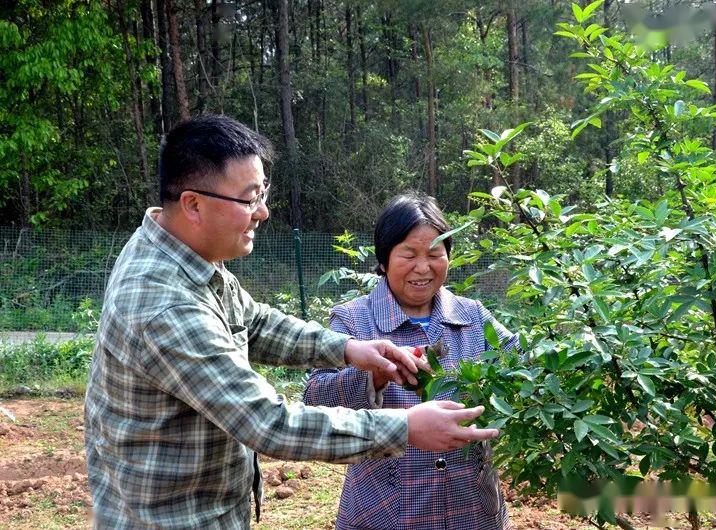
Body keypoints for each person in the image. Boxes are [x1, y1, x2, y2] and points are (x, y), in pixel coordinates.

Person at [84, 115, 498, 529]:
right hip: (171, 518)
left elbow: (257, 322)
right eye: (248, 200)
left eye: (263, 193)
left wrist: (350, 350)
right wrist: (405, 427)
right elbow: (269, 423)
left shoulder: (185, 257)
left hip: (201, 504)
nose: (262, 212)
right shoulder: (165, 305)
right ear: (193, 204)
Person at [304, 192, 517, 530]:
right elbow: (316, 399)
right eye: (409, 254)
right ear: (384, 259)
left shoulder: (474, 317)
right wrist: (374, 375)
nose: (423, 267)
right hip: (386, 513)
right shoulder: (353, 321)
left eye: (435, 253)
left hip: (473, 512)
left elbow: (523, 365)